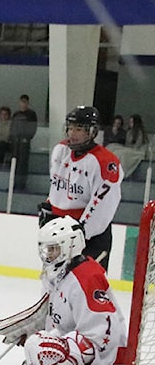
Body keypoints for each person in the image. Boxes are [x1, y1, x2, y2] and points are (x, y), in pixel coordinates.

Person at [0, 216, 126, 365]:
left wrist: (71, 358)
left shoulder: (87, 277)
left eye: (54, 249)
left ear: (70, 246)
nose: (48, 256)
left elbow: (105, 330)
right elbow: (60, 322)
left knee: (45, 357)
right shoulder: (60, 276)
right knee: (37, 348)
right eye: (46, 250)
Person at [39, 106, 122, 270]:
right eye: (70, 128)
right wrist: (50, 207)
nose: (72, 133)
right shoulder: (60, 151)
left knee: (86, 285)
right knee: (53, 283)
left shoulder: (104, 162)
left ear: (92, 132)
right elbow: (56, 185)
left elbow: (103, 205)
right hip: (61, 232)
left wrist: (80, 231)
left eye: (78, 129)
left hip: (91, 236)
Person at [10, 94, 38, 190]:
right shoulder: (16, 114)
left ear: (27, 103)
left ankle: (21, 185)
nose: (23, 104)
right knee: (15, 163)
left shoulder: (31, 114)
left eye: (25, 102)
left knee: (23, 163)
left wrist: (27, 138)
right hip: (16, 143)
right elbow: (12, 127)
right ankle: (13, 184)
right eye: (21, 102)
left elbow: (33, 128)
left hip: (24, 143)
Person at [107, 114, 148, 179]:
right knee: (111, 146)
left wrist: (127, 147)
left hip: (136, 150)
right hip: (128, 148)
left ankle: (118, 172)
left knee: (120, 153)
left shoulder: (139, 133)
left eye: (131, 122)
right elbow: (126, 144)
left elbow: (137, 146)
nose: (130, 124)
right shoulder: (129, 131)